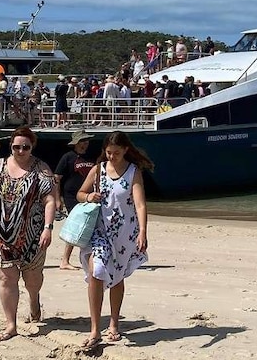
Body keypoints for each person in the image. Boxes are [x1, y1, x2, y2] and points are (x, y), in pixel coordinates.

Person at [0, 126, 56, 342]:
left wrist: (48, 228)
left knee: (32, 279)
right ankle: (11, 325)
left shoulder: (41, 169)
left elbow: (50, 200)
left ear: (32, 147)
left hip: (33, 237)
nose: (20, 151)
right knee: (6, 279)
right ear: (11, 146)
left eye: (25, 147)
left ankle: (34, 299)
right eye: (16, 147)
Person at [77, 131, 152, 350]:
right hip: (99, 231)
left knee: (117, 276)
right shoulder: (98, 170)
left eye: (116, 153)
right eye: (108, 153)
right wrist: (89, 196)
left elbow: (140, 205)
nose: (111, 157)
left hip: (124, 233)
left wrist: (143, 232)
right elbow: (80, 193)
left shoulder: (133, 171)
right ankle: (94, 329)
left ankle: (114, 323)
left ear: (126, 150)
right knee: (96, 271)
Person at [53, 131, 95, 270]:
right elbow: (57, 178)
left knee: (90, 225)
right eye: (82, 141)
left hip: (88, 195)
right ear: (76, 143)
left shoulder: (92, 157)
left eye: (87, 141)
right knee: (75, 226)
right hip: (71, 196)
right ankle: (65, 260)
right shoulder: (68, 157)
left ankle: (90, 257)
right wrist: (58, 199)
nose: (85, 143)